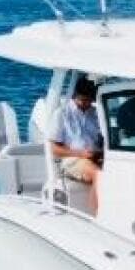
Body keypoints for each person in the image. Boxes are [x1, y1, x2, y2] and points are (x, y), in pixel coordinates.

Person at [50, 76, 103, 213]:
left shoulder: (95, 114)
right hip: (72, 160)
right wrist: (80, 153)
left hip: (94, 156)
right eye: (83, 100)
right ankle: (97, 218)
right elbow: (53, 149)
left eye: (89, 101)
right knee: (98, 174)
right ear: (75, 95)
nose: (87, 104)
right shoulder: (62, 113)